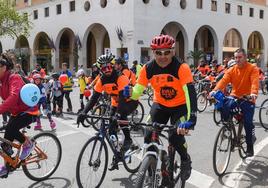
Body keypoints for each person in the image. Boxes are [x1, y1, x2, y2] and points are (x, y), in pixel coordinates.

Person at [129, 34, 197, 184]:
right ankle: (153, 173)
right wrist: (129, 93)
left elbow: (189, 92)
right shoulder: (147, 68)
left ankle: (185, 159)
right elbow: (137, 91)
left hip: (180, 107)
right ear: (153, 52)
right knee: (148, 135)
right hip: (160, 105)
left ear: (173, 51)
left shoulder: (181, 67)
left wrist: (192, 118)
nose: (163, 56)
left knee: (174, 136)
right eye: (158, 53)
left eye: (167, 52)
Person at [77, 53, 138, 171]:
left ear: (114, 66)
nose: (107, 70)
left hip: (129, 102)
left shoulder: (121, 77)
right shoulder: (101, 79)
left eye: (109, 66)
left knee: (121, 116)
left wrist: (118, 115)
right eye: (104, 68)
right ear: (101, 69)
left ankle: (128, 139)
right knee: (111, 130)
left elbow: (122, 100)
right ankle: (118, 155)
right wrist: (83, 112)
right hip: (116, 103)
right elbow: (94, 98)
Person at [210, 48, 259, 157]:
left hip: (248, 99)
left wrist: (253, 94)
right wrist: (214, 91)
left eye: (240, 57)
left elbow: (255, 83)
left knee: (247, 122)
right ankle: (228, 128)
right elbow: (223, 81)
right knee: (224, 106)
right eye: (236, 57)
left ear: (245, 57)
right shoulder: (232, 70)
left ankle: (250, 147)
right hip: (235, 96)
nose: (237, 59)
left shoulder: (252, 68)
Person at [0, 53, 39, 177]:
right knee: (6, 141)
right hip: (17, 112)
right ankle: (6, 167)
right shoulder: (1, 82)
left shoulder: (14, 78)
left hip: (29, 111)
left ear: (4, 67)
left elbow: (14, 96)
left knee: (11, 128)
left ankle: (28, 144)